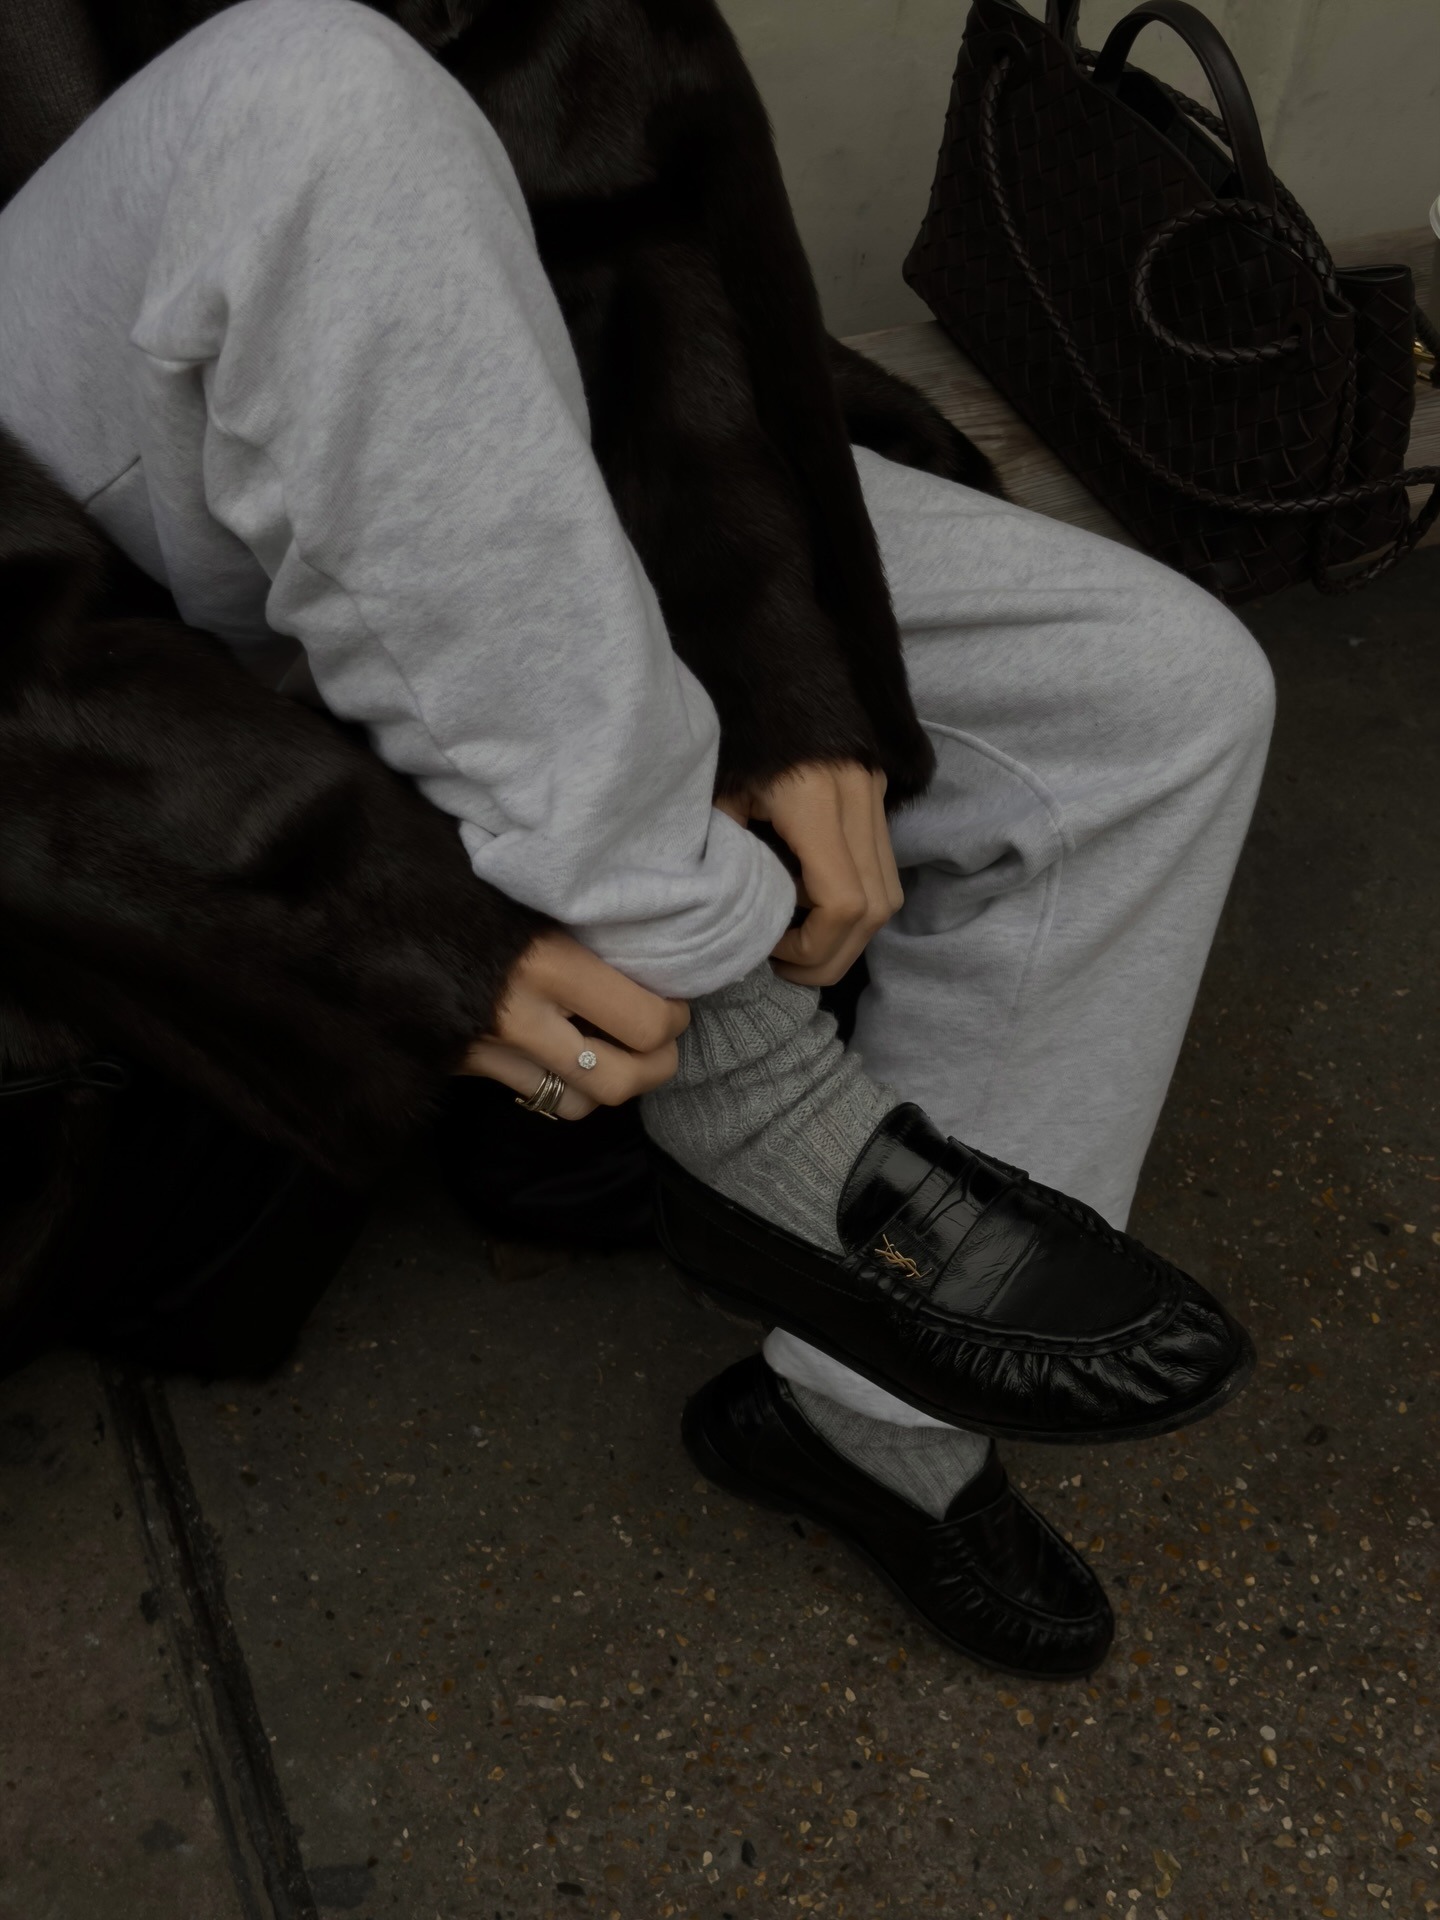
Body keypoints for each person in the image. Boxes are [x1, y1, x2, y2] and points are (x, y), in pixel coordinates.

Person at [0, 0, 1274, 1679]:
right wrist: (365, 913)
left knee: (1164, 694)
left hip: (445, 405)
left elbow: (609, 120)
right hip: (69, 492)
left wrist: (775, 657)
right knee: (304, 91)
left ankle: (859, 1424)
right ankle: (744, 1073)